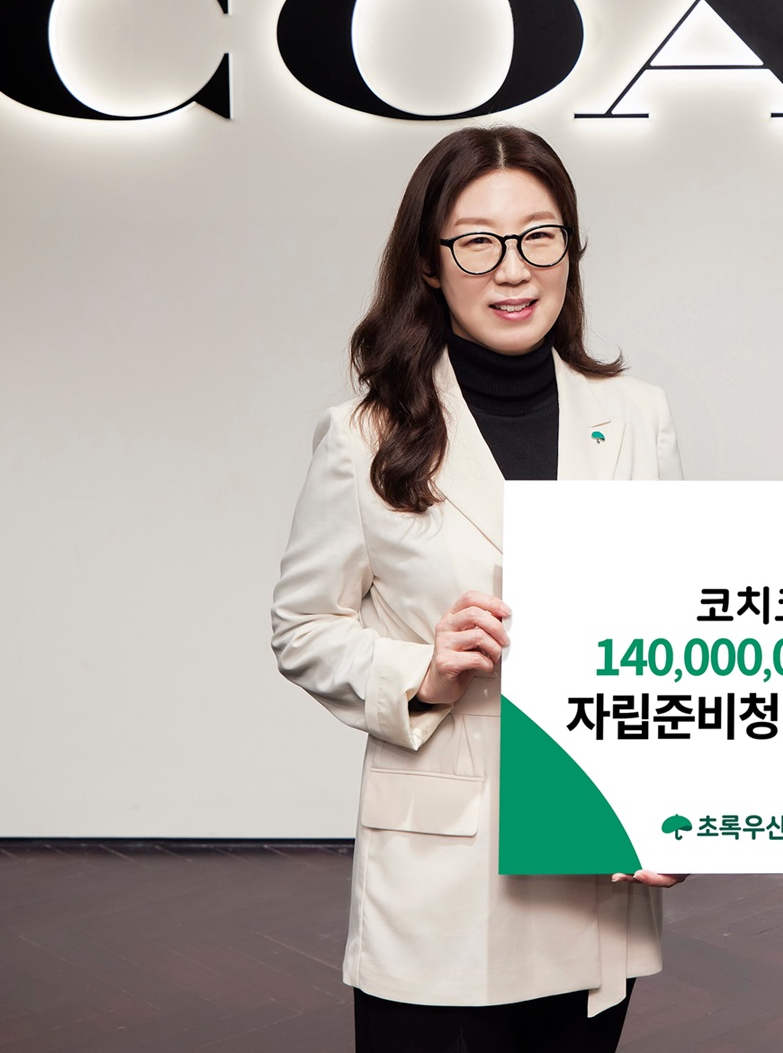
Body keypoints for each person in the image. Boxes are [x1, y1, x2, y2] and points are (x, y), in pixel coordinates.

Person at [270, 126, 684, 1053]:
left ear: (570, 249)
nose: (513, 268)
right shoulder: (364, 434)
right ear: (429, 262)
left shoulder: (636, 413)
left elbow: (673, 632)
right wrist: (421, 670)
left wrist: (674, 811)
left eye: (539, 235)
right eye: (477, 242)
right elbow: (301, 625)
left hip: (590, 852)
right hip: (441, 867)